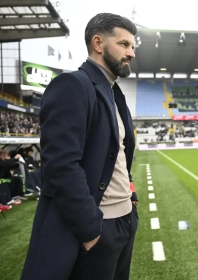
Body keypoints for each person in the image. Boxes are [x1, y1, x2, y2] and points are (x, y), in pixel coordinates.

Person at [21, 13, 139, 280]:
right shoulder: (72, 85)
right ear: (98, 43)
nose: (131, 53)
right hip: (99, 228)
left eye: (132, 46)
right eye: (124, 44)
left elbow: (118, 155)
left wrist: (130, 198)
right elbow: (60, 166)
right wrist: (91, 231)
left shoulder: (113, 92)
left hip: (125, 220)